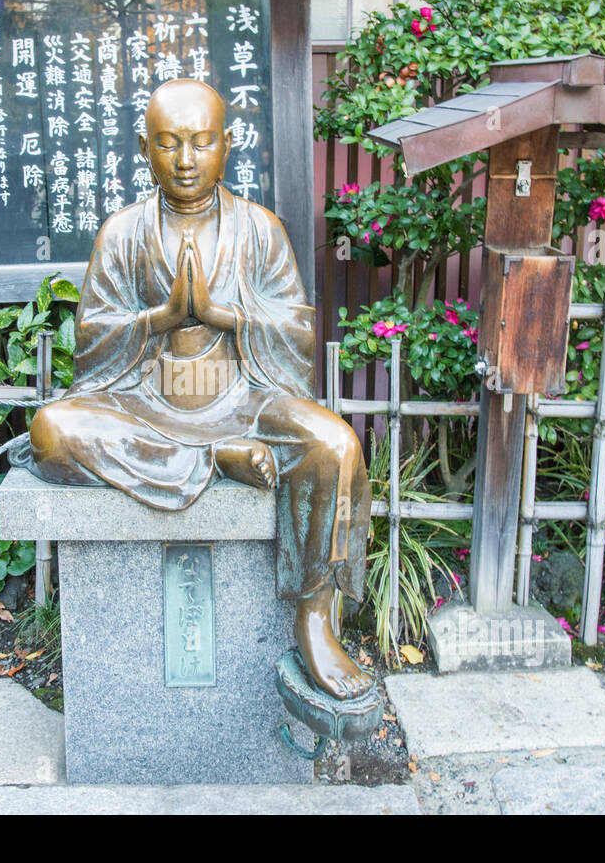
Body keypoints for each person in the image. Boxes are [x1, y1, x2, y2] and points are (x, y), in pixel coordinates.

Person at [26, 78, 373, 699]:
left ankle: (315, 618)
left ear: (228, 144)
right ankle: (213, 461)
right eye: (168, 144)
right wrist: (158, 320)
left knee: (336, 445)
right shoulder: (123, 232)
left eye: (202, 142)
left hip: (243, 399)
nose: (186, 160)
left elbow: (294, 332)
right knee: (51, 431)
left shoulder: (260, 229)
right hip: (146, 403)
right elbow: (93, 345)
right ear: (143, 148)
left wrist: (222, 315)